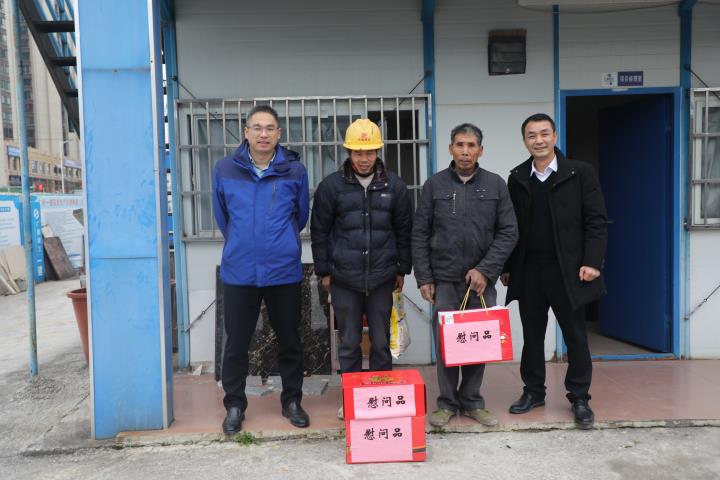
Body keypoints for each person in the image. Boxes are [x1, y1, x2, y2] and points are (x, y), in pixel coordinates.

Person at [501, 113, 608, 430]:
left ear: (555, 136)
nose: (539, 140)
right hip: (529, 271)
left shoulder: (580, 173)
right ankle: (533, 391)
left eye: (544, 133)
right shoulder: (518, 177)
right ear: (525, 141)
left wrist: (592, 261)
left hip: (569, 271)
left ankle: (579, 397)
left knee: (575, 335)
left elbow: (596, 220)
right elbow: (510, 226)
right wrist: (508, 267)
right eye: (532, 135)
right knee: (532, 336)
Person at [212, 105, 310, 434]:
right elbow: (223, 217)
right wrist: (244, 242)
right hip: (240, 271)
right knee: (236, 343)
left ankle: (292, 401)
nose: (263, 134)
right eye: (257, 127)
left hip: (283, 270)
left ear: (279, 134)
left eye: (270, 128)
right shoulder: (225, 169)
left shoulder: (295, 171)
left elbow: (300, 216)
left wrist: (280, 243)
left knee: (290, 339)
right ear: (246, 132)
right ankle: (234, 405)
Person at [412, 123, 518, 428]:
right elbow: (420, 233)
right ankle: (446, 403)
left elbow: (509, 231)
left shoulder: (496, 185)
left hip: (481, 283)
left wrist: (485, 270)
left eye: (471, 146)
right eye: (460, 145)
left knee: (477, 342)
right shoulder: (434, 185)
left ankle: (472, 401)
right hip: (445, 280)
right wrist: (424, 277)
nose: (465, 151)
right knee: (447, 343)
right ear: (450, 149)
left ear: (480, 150)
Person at [311, 119, 413, 394]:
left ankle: (379, 396)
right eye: (358, 152)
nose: (364, 159)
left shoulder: (394, 186)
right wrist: (324, 272)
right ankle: (352, 398)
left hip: (382, 277)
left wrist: (402, 269)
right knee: (349, 342)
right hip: (344, 279)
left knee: (380, 342)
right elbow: (319, 232)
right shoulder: (331, 187)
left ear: (378, 151)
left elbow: (404, 229)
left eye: (369, 152)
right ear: (349, 152)